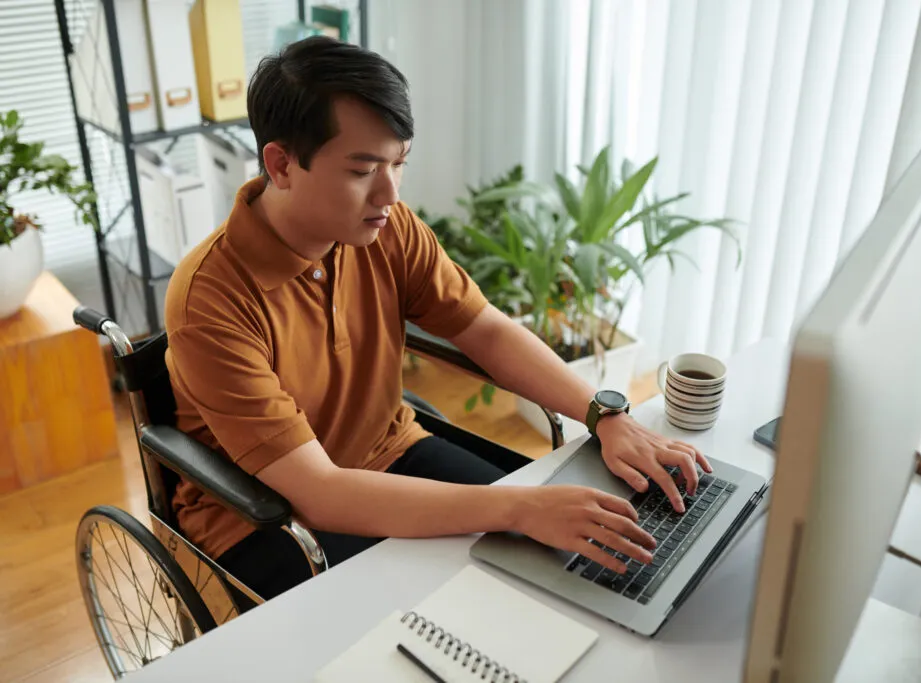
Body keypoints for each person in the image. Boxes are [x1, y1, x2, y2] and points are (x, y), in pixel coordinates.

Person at [164, 36, 710, 603]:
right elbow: (319, 493)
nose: (389, 193)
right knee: (458, 603)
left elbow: (484, 328)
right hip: (266, 515)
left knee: (562, 564)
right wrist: (520, 508)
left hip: (391, 451)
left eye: (399, 164)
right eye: (362, 170)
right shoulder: (209, 298)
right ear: (281, 164)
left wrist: (606, 417)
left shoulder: (386, 226)